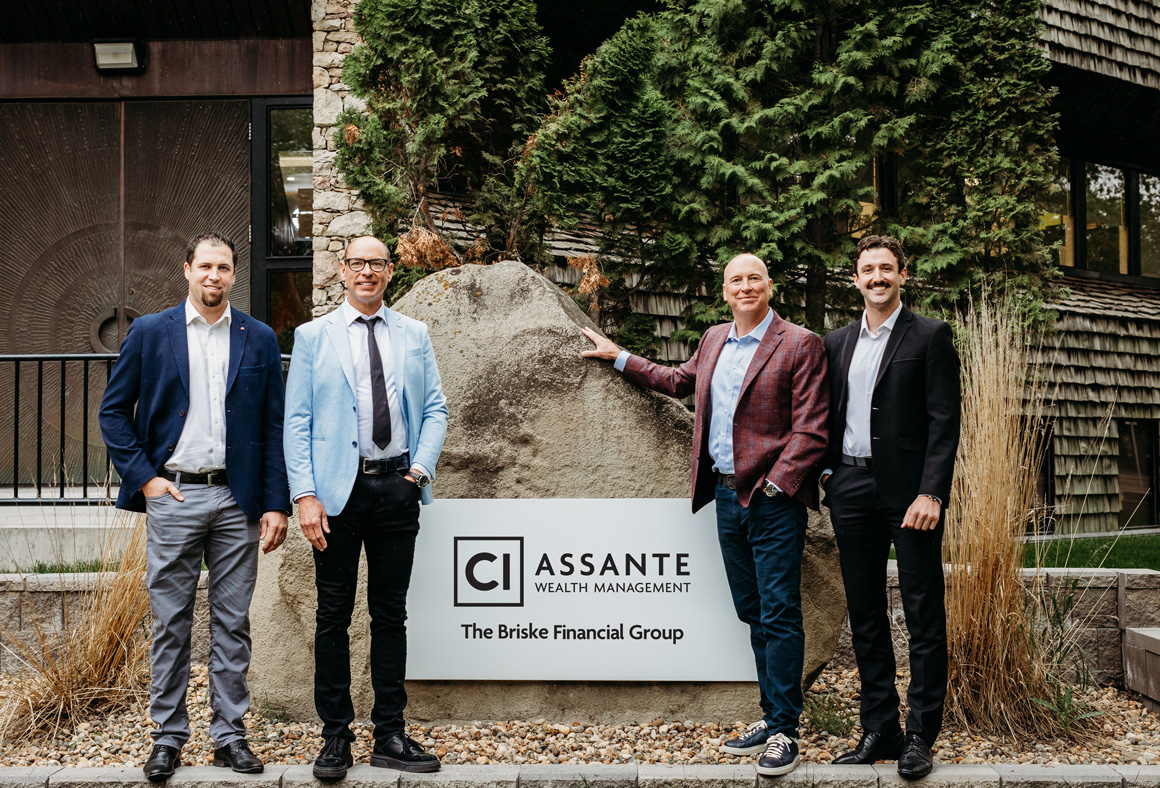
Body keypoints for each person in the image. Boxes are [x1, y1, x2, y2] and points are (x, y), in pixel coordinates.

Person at [581, 253, 828, 776]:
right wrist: (619, 356)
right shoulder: (715, 338)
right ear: (724, 290)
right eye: (735, 279)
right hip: (722, 495)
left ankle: (785, 729)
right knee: (752, 611)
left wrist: (776, 487)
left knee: (780, 612)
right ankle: (772, 713)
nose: (745, 286)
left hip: (772, 502)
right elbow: (676, 381)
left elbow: (811, 430)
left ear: (769, 286)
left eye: (754, 278)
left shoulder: (799, 344)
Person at [99, 232, 290, 781]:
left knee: (233, 623)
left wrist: (275, 503)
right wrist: (146, 480)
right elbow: (113, 413)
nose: (214, 276)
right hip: (175, 494)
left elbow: (273, 427)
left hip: (237, 499)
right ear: (187, 270)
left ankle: (230, 735)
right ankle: (168, 736)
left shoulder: (257, 337)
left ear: (234, 274)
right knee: (171, 622)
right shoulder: (151, 333)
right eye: (204, 266)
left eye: (223, 268)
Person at [283, 235, 449, 780]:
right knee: (332, 615)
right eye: (358, 263)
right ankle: (335, 738)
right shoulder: (313, 336)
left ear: (389, 272)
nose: (367, 272)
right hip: (336, 496)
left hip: (397, 489)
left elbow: (434, 409)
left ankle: (390, 734)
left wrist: (417, 472)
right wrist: (304, 495)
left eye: (377, 264)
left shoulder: (414, 334)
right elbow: (298, 422)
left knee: (390, 615)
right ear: (342, 269)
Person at [821, 235, 961, 779]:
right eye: (867, 270)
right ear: (854, 278)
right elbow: (826, 414)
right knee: (866, 616)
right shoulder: (836, 341)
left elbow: (944, 421)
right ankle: (880, 728)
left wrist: (932, 492)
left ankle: (921, 735)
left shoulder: (929, 335)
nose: (877, 277)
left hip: (912, 497)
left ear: (904, 274)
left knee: (924, 614)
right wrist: (830, 474)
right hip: (850, 490)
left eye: (886, 269)